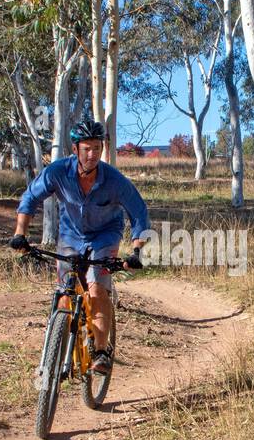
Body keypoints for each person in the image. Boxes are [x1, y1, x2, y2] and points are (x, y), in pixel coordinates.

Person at [9, 120, 149, 375]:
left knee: (96, 287)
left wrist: (137, 250)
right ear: (75, 149)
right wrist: (20, 233)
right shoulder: (58, 172)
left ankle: (101, 350)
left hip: (105, 236)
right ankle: (56, 351)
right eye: (87, 148)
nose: (92, 154)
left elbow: (139, 213)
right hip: (70, 236)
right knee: (65, 291)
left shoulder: (114, 180)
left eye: (97, 148)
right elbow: (30, 197)